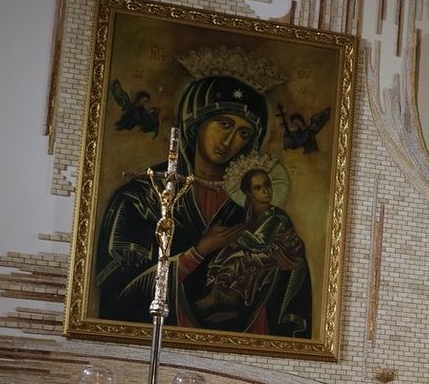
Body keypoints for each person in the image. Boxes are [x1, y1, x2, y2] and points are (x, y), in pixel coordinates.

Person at [95, 53, 312, 337]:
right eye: (224, 124)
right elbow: (118, 293)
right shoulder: (144, 195)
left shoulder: (255, 204)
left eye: (244, 133)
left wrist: (290, 267)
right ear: (196, 120)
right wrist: (197, 253)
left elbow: (291, 307)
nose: (230, 141)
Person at [193, 158, 307, 328]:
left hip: (272, 256)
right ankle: (220, 293)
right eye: (258, 188)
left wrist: (237, 235)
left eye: (267, 185)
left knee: (241, 259)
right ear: (248, 193)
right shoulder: (242, 214)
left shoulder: (276, 216)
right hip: (258, 255)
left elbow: (260, 244)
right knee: (229, 253)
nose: (266, 191)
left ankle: (231, 298)